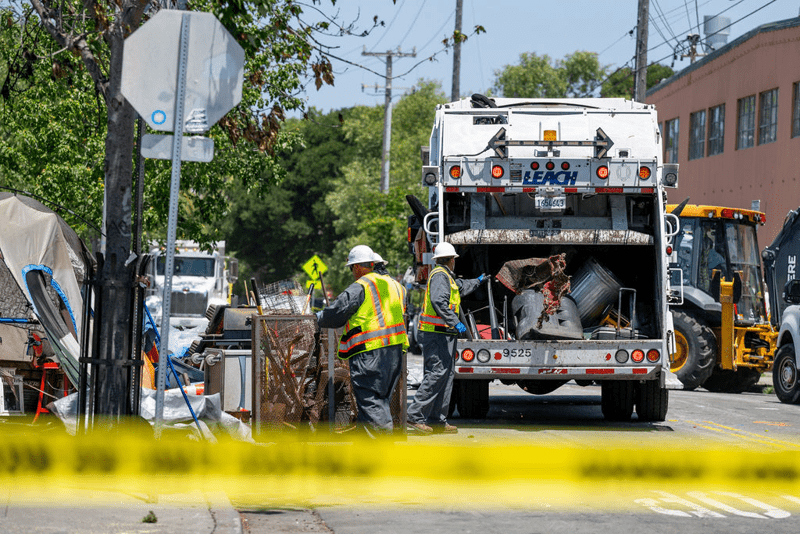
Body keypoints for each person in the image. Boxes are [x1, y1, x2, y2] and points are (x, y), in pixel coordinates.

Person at [315, 245, 408, 436]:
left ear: (357, 267)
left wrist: (319, 317)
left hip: (371, 354)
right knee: (378, 401)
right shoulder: (394, 285)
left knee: (371, 400)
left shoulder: (362, 286)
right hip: (395, 352)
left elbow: (337, 313)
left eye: (351, 268)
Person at [406, 241, 486, 434]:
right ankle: (414, 416)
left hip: (443, 334)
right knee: (437, 373)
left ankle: (436, 419)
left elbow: (460, 286)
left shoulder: (446, 277)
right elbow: (438, 301)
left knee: (446, 375)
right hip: (437, 333)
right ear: (451, 260)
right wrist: (454, 321)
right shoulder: (440, 276)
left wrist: (479, 280)